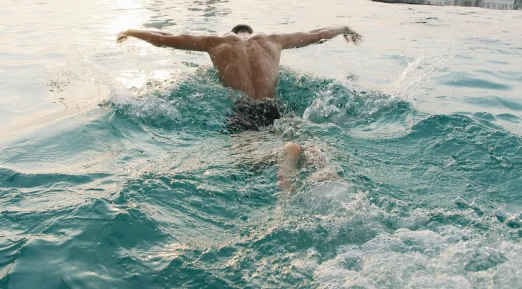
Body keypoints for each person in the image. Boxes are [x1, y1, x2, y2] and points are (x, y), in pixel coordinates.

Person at [117, 23, 362, 189]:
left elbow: (163, 39)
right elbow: (316, 34)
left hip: (245, 110)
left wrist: (130, 31)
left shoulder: (215, 42)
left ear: (231, 32)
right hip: (275, 108)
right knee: (304, 142)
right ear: (251, 32)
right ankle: (315, 159)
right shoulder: (273, 40)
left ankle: (284, 153)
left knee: (247, 163)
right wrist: (342, 28)